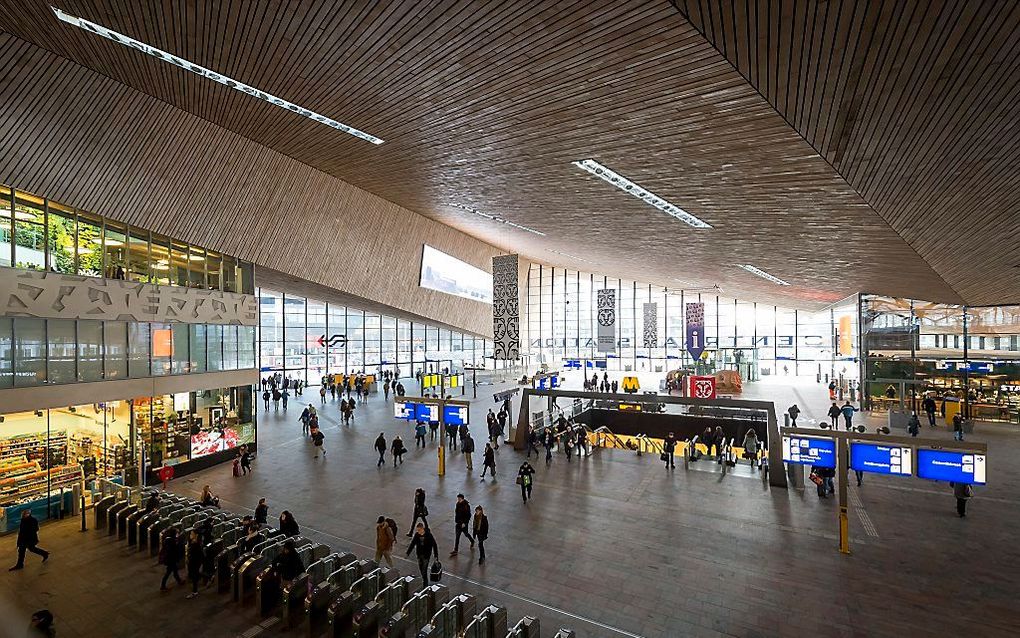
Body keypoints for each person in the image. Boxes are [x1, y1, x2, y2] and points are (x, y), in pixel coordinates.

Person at [406, 522, 439, 589]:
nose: (418, 531)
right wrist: (408, 553)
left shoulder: (429, 535)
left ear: (422, 529)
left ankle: (425, 583)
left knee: (424, 569)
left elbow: (434, 545)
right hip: (419, 555)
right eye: (417, 530)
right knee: (421, 568)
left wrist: (436, 556)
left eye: (419, 530)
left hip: (426, 555)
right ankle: (424, 580)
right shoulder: (417, 535)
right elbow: (412, 544)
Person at [185, 529, 204, 598]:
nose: (190, 535)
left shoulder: (197, 544)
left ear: (196, 535)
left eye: (192, 534)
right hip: (193, 562)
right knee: (195, 574)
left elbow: (198, 554)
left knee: (194, 576)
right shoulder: (192, 542)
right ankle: (209, 577)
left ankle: (194, 591)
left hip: (195, 562)